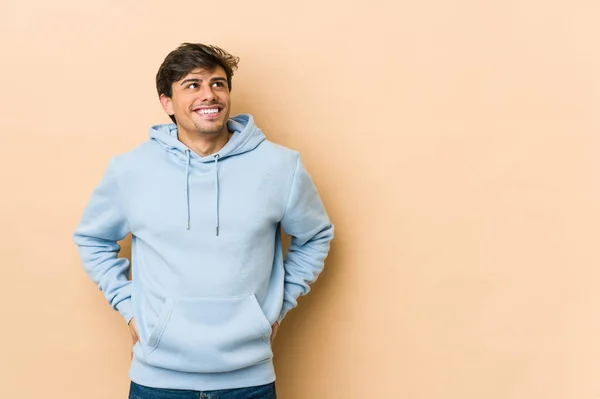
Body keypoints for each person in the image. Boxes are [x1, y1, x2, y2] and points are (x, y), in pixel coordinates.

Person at [73, 43, 334, 399]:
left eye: (218, 83)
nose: (209, 95)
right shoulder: (131, 170)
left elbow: (315, 235)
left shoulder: (280, 167)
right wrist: (129, 308)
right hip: (157, 381)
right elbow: (93, 239)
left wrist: (275, 309)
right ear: (167, 102)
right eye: (192, 85)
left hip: (248, 381)